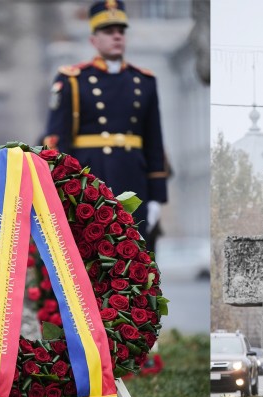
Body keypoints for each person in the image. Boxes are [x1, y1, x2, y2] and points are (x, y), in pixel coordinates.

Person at [43, 0, 171, 251]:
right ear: (93, 40)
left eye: (120, 31)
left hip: (133, 178)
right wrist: (62, 188)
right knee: (92, 255)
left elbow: (154, 142)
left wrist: (157, 197)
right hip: (90, 179)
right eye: (108, 31)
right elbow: (57, 139)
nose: (116, 36)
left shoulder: (143, 81)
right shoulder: (72, 79)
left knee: (134, 257)